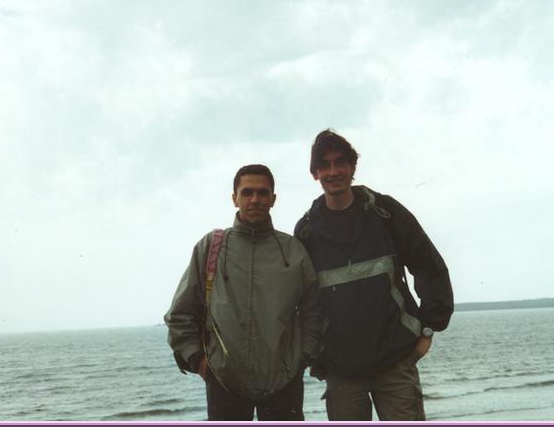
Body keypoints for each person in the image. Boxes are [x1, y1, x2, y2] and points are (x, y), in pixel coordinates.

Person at [294, 129, 453, 421]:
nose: (333, 171)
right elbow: (303, 304)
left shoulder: (385, 213)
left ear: (353, 166)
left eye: (340, 162)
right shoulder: (306, 231)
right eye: (324, 165)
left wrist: (430, 327)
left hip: (396, 362)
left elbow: (429, 265)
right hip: (342, 373)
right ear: (314, 173)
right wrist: (316, 357)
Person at [165, 164, 321, 421]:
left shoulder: (293, 251)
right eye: (247, 192)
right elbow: (180, 314)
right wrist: (200, 363)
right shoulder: (211, 247)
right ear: (234, 198)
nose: (255, 199)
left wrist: (300, 359)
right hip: (225, 384)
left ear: (273, 199)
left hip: (284, 384)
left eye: (263, 192)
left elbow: (314, 312)